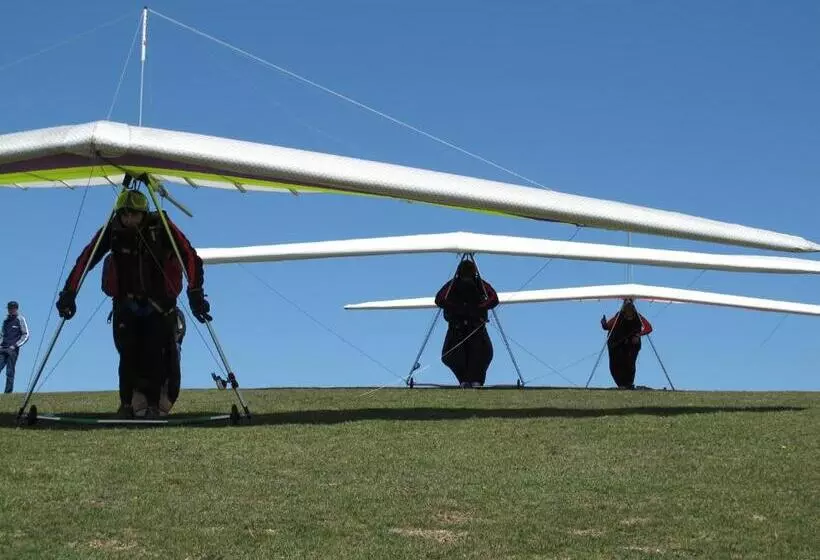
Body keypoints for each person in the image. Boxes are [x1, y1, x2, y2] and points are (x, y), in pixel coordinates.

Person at [56, 187, 211, 418]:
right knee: (128, 354)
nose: (129, 219)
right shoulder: (113, 230)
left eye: (134, 214)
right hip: (126, 304)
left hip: (159, 305)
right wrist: (69, 293)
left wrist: (195, 292)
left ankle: (155, 404)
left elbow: (189, 255)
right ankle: (128, 403)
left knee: (156, 352)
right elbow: (87, 257)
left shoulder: (161, 226)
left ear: (144, 213)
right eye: (124, 214)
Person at [434, 260, 499, 387]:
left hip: (475, 327)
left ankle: (475, 381)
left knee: (480, 354)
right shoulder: (453, 284)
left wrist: (478, 308)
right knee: (453, 354)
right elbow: (439, 299)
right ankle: (465, 380)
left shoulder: (480, 284)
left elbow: (494, 299)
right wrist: (459, 308)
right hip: (457, 328)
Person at [600, 298, 653, 389]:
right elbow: (608, 326)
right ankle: (621, 384)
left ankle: (628, 383)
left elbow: (648, 328)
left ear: (633, 307)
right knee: (616, 363)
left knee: (629, 363)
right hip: (618, 344)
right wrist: (604, 324)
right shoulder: (619, 316)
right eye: (626, 305)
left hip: (632, 345)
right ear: (623, 307)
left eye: (630, 305)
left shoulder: (638, 317)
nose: (628, 308)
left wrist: (638, 335)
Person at [1, 301, 30, 393]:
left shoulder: (20, 319)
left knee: (10, 371)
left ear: (16, 309)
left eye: (11, 308)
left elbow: (26, 335)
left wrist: (15, 345)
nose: (10, 310)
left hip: (12, 350)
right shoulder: (5, 321)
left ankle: (8, 392)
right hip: (2, 348)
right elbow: (2, 334)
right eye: (9, 308)